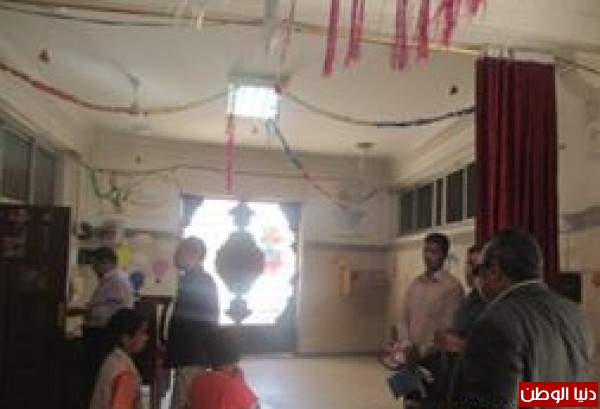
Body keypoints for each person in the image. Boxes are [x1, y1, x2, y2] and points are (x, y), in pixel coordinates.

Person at [448, 228, 594, 409]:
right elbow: (576, 395)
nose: (477, 278)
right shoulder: (576, 315)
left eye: (479, 270)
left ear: (495, 270)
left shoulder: (496, 323)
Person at [388, 233, 464, 408]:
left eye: (434, 252)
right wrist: (405, 346)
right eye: (426, 251)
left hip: (434, 362)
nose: (428, 256)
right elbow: (404, 317)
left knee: (427, 403)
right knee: (410, 402)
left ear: (444, 256)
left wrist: (421, 351)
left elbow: (447, 328)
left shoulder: (452, 287)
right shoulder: (415, 284)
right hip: (409, 358)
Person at [165, 237, 220, 409]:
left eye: (180, 252)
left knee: (184, 401)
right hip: (192, 353)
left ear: (194, 255)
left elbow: (191, 322)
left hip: (191, 353)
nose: (175, 256)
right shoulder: (194, 279)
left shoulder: (198, 281)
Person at [80, 247, 135, 404]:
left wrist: (91, 311)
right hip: (101, 333)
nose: (94, 269)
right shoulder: (113, 279)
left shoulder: (116, 280)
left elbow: (116, 311)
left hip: (103, 334)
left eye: (95, 265)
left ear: (106, 262)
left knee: (99, 378)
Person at [89, 308, 149, 409]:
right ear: (125, 338)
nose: (146, 338)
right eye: (142, 332)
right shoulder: (125, 373)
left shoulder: (112, 359)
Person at [187, 328, 259, 409]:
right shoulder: (233, 384)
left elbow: (189, 405)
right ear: (235, 354)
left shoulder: (196, 381)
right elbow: (254, 405)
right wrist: (240, 381)